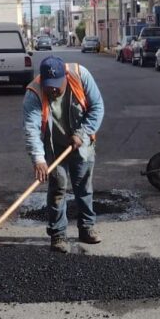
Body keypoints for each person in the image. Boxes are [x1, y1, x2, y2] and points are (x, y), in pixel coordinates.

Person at [23, 56, 105, 253]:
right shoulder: (34, 93)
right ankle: (58, 235)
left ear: (65, 76)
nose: (53, 90)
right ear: (42, 80)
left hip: (81, 142)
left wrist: (82, 133)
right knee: (58, 188)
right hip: (54, 146)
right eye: (48, 85)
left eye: (57, 85)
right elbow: (31, 129)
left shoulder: (81, 76)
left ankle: (86, 227)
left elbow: (97, 108)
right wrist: (38, 159)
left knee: (83, 186)